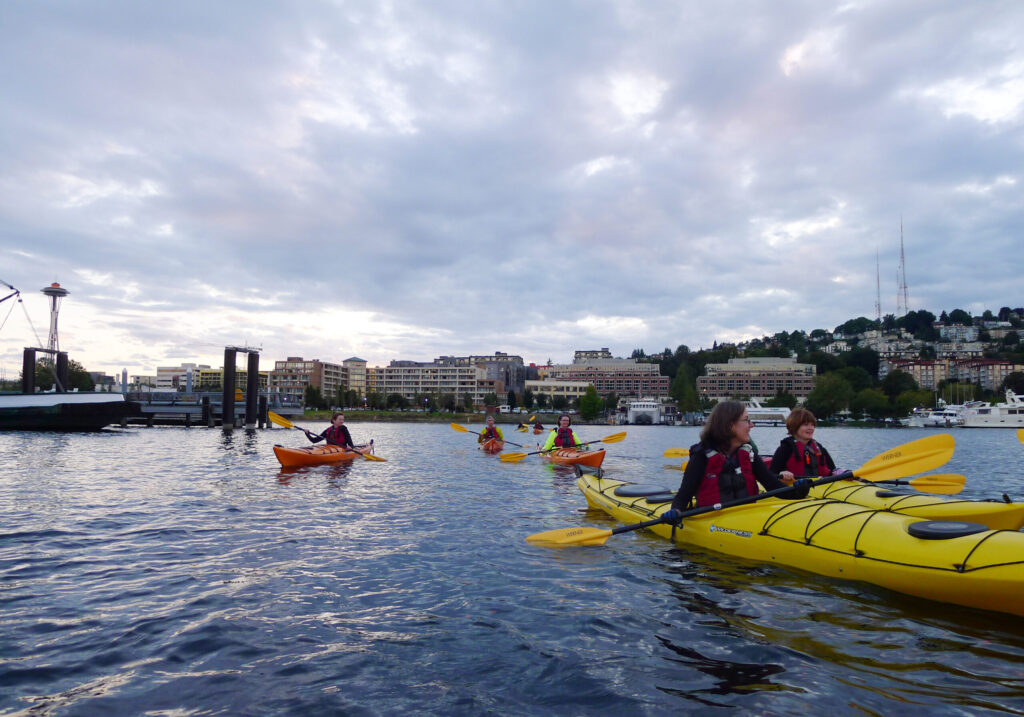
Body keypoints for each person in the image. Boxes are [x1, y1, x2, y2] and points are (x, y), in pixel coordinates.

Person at [664, 401, 808, 521]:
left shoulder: (748, 454)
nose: (751, 425)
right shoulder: (701, 456)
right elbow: (683, 497)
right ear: (729, 425)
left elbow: (775, 488)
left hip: (745, 518)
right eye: (746, 420)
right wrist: (675, 512)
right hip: (712, 521)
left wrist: (799, 490)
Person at [769, 408, 837, 478]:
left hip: (822, 486)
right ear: (794, 426)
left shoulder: (819, 448)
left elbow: (834, 470)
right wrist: (782, 473)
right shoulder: (785, 448)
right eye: (806, 424)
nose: (811, 428)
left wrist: (843, 473)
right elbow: (772, 475)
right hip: (794, 486)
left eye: (812, 425)